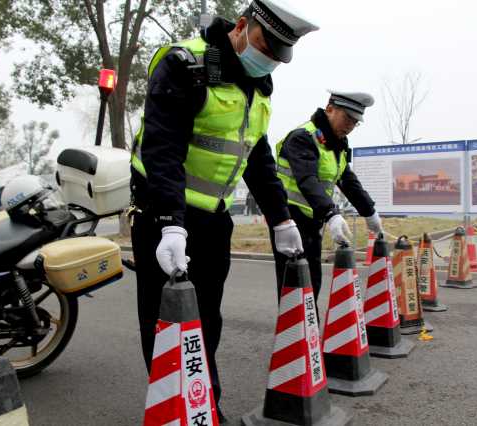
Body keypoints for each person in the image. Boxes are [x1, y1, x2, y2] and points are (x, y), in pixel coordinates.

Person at [129, 1, 318, 422]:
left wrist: (281, 219)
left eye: (276, 57)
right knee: (163, 322)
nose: (268, 60)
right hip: (163, 215)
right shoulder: (186, 65)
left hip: (214, 220)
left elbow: (257, 158)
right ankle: (181, 410)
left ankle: (201, 402)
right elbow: (162, 151)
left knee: (207, 318)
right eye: (265, 48)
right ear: (242, 27)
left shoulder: (257, 85)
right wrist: (170, 225)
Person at [272, 91, 383, 303]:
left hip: (313, 221)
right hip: (289, 220)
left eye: (355, 122)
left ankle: (310, 332)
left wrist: (370, 212)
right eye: (347, 118)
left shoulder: (336, 143)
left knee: (312, 280)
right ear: (330, 109)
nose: (350, 125)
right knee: (294, 282)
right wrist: (331, 213)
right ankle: (296, 334)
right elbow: (307, 179)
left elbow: (347, 180)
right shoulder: (303, 137)